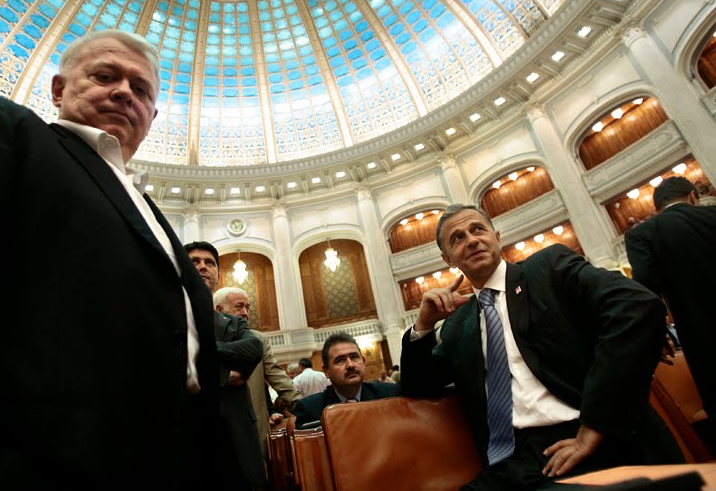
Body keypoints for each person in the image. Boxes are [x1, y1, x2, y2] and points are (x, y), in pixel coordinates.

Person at [0, 30, 218, 489]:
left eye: (141, 89)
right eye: (105, 76)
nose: (124, 92)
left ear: (152, 115)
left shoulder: (149, 209)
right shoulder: (2, 127)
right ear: (59, 90)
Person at [401, 204, 682, 490]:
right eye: (458, 238)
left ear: (496, 237)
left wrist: (596, 425)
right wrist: (423, 325)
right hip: (510, 464)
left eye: (478, 229)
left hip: (589, 442)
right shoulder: (457, 325)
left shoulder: (548, 268)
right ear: (447, 259)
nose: (471, 240)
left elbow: (636, 305)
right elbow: (417, 386)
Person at [625, 176, 716, 435]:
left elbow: (646, 291)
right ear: (693, 197)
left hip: (702, 336)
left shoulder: (642, 235)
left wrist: (655, 335)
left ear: (657, 209)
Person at [185, 241, 265, 490]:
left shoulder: (234, 323)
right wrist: (221, 374)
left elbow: (254, 349)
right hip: (190, 431)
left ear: (218, 275)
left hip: (237, 431)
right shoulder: (169, 317)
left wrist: (202, 350)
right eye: (194, 262)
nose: (203, 267)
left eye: (209, 263)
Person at [213, 286, 302, 460]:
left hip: (253, 435)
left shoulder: (258, 340)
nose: (245, 313)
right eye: (239, 306)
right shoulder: (203, 340)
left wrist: (305, 409)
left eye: (247, 307)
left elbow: (279, 378)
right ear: (219, 309)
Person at [293, 333, 400, 428]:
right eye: (340, 360)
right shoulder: (310, 410)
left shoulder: (390, 395)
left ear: (363, 362)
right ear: (326, 371)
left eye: (354, 357)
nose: (350, 365)